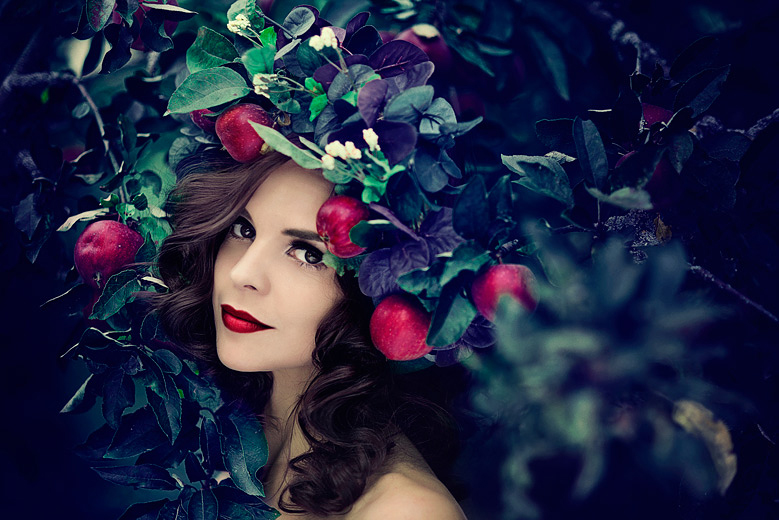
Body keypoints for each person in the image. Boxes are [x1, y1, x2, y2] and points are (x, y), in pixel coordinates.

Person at [153, 150, 468, 519]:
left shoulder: (405, 512)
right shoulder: (229, 443)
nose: (243, 273)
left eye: (307, 254)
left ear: (386, 291)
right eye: (244, 229)